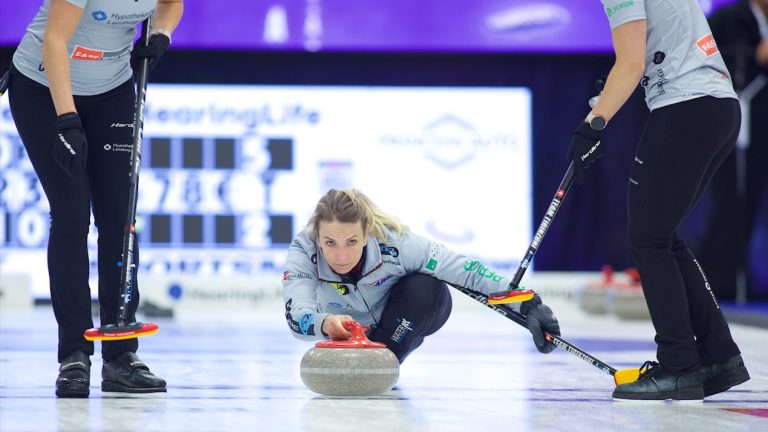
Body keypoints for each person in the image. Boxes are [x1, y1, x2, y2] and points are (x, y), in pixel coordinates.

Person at [567, 0, 750, 400]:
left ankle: (679, 366)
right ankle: (718, 357)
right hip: (718, 106)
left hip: (687, 107)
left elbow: (630, 64)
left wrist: (591, 128)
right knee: (662, 236)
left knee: (648, 239)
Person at [6, 0, 183, 398]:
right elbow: (54, 41)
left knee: (120, 220)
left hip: (112, 90)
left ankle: (121, 356)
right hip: (43, 89)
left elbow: (172, 5)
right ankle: (74, 355)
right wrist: (67, 119)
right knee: (71, 215)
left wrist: (161, 35)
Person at [282, 188, 560, 363]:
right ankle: (381, 350)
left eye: (351, 242)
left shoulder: (397, 244)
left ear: (367, 233)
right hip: (346, 329)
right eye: (330, 243)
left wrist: (527, 303)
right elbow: (297, 315)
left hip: (405, 319)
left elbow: (464, 269)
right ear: (316, 236)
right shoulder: (303, 251)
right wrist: (326, 322)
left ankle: (388, 352)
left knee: (426, 284)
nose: (341, 256)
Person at [698, 0, 768, 299]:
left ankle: (750, 278)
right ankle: (720, 279)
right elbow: (709, 59)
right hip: (735, 121)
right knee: (729, 200)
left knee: (753, 200)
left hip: (762, 127)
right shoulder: (729, 18)